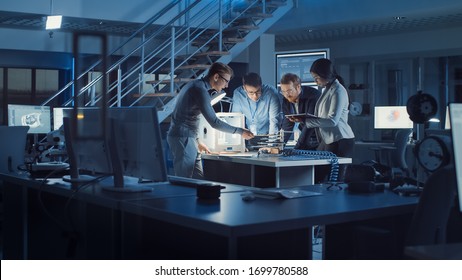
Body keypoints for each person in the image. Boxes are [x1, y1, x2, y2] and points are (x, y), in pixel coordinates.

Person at [167, 62, 254, 178]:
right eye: (226, 81)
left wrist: (197, 141)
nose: (226, 86)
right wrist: (240, 131)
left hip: (188, 137)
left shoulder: (195, 85)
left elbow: (189, 115)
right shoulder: (199, 90)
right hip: (183, 138)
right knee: (184, 181)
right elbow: (214, 122)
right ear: (216, 77)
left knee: (199, 180)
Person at [287, 58, 355, 182]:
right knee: (317, 173)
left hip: (341, 139)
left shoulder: (338, 91)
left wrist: (307, 122)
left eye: (317, 78)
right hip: (329, 139)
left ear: (326, 75)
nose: (315, 81)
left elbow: (332, 121)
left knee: (332, 178)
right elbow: (323, 116)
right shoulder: (327, 89)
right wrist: (303, 119)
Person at [232, 72, 282, 136]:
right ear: (244, 88)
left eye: (258, 91)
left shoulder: (271, 92)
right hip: (247, 135)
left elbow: (274, 120)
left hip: (267, 135)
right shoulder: (238, 94)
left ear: (261, 85)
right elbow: (236, 119)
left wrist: (271, 144)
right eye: (251, 92)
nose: (255, 96)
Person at [280, 73, 321, 150]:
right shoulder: (286, 99)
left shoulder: (313, 96)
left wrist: (297, 148)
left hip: (320, 137)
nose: (286, 94)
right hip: (305, 135)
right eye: (283, 91)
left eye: (289, 91)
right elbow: (287, 124)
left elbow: (310, 124)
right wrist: (279, 146)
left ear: (298, 87)